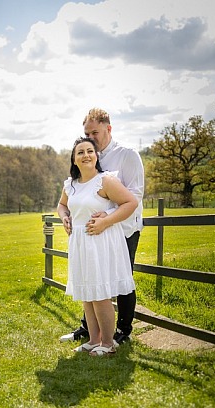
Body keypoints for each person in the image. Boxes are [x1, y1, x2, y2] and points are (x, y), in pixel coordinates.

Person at [60, 108, 144, 345]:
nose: (91, 138)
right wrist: (68, 215)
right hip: (92, 232)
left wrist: (106, 217)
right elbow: (74, 196)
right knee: (92, 281)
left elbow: (134, 196)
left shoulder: (127, 155)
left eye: (94, 132)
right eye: (87, 133)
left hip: (123, 228)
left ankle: (122, 331)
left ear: (109, 128)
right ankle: (90, 332)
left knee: (122, 280)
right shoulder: (90, 156)